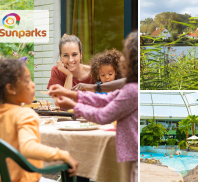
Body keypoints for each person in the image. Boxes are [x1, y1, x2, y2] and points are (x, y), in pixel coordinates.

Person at [48, 31, 138, 182]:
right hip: (128, 152)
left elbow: (103, 115)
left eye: (125, 55)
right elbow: (106, 99)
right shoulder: (131, 87)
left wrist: (73, 104)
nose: (121, 59)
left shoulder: (132, 90)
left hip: (131, 153)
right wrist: (73, 95)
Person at [0, 58, 78, 182]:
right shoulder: (25, 114)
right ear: (10, 89)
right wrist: (64, 155)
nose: (33, 84)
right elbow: (28, 147)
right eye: (27, 80)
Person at [47, 34, 126, 92]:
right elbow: (60, 103)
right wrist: (69, 75)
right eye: (65, 55)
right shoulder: (57, 71)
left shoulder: (96, 72)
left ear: (81, 55)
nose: (70, 60)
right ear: (60, 57)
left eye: (74, 54)